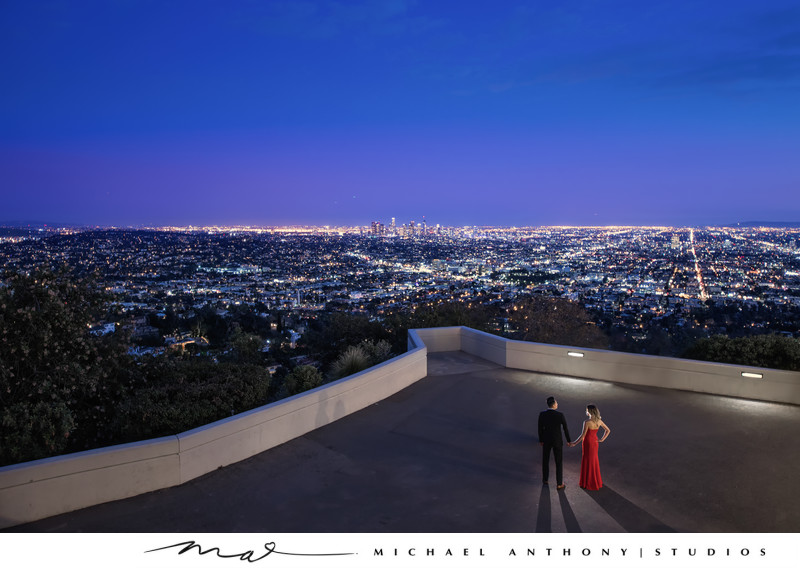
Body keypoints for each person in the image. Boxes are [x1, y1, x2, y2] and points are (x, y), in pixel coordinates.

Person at [568, 404, 611, 490]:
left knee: (587, 460)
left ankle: (587, 482)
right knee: (594, 460)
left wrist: (574, 443)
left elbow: (583, 435)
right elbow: (608, 430)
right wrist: (602, 439)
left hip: (588, 443)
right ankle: (595, 481)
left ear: (590, 412)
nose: (586, 411)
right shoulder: (599, 421)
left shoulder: (587, 422)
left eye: (587, 410)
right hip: (595, 442)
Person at [538, 396, 571, 490]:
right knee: (558, 462)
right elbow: (565, 429)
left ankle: (545, 479)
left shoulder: (542, 414)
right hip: (557, 441)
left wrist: (541, 440)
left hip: (546, 440)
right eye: (556, 403)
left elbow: (540, 428)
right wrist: (568, 440)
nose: (557, 404)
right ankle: (559, 483)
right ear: (553, 404)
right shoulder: (560, 415)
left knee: (545, 460)